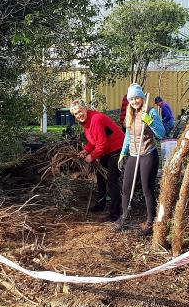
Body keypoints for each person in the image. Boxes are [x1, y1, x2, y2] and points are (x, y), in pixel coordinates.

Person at [115, 83, 166, 236]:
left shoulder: (150, 112)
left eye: (137, 97)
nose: (134, 101)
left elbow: (162, 134)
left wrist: (150, 122)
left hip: (148, 155)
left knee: (147, 190)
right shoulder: (130, 114)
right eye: (131, 99)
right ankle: (124, 217)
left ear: (142, 97)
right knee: (125, 189)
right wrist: (123, 153)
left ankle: (151, 221)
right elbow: (128, 136)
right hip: (133, 154)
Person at [70, 99, 125, 222]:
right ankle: (100, 205)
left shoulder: (96, 119)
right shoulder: (87, 123)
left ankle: (114, 214)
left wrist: (92, 156)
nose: (79, 115)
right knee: (100, 177)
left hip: (117, 149)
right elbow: (93, 141)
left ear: (85, 108)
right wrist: (85, 150)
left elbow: (102, 144)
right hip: (107, 150)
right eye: (76, 114)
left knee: (112, 180)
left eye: (80, 111)